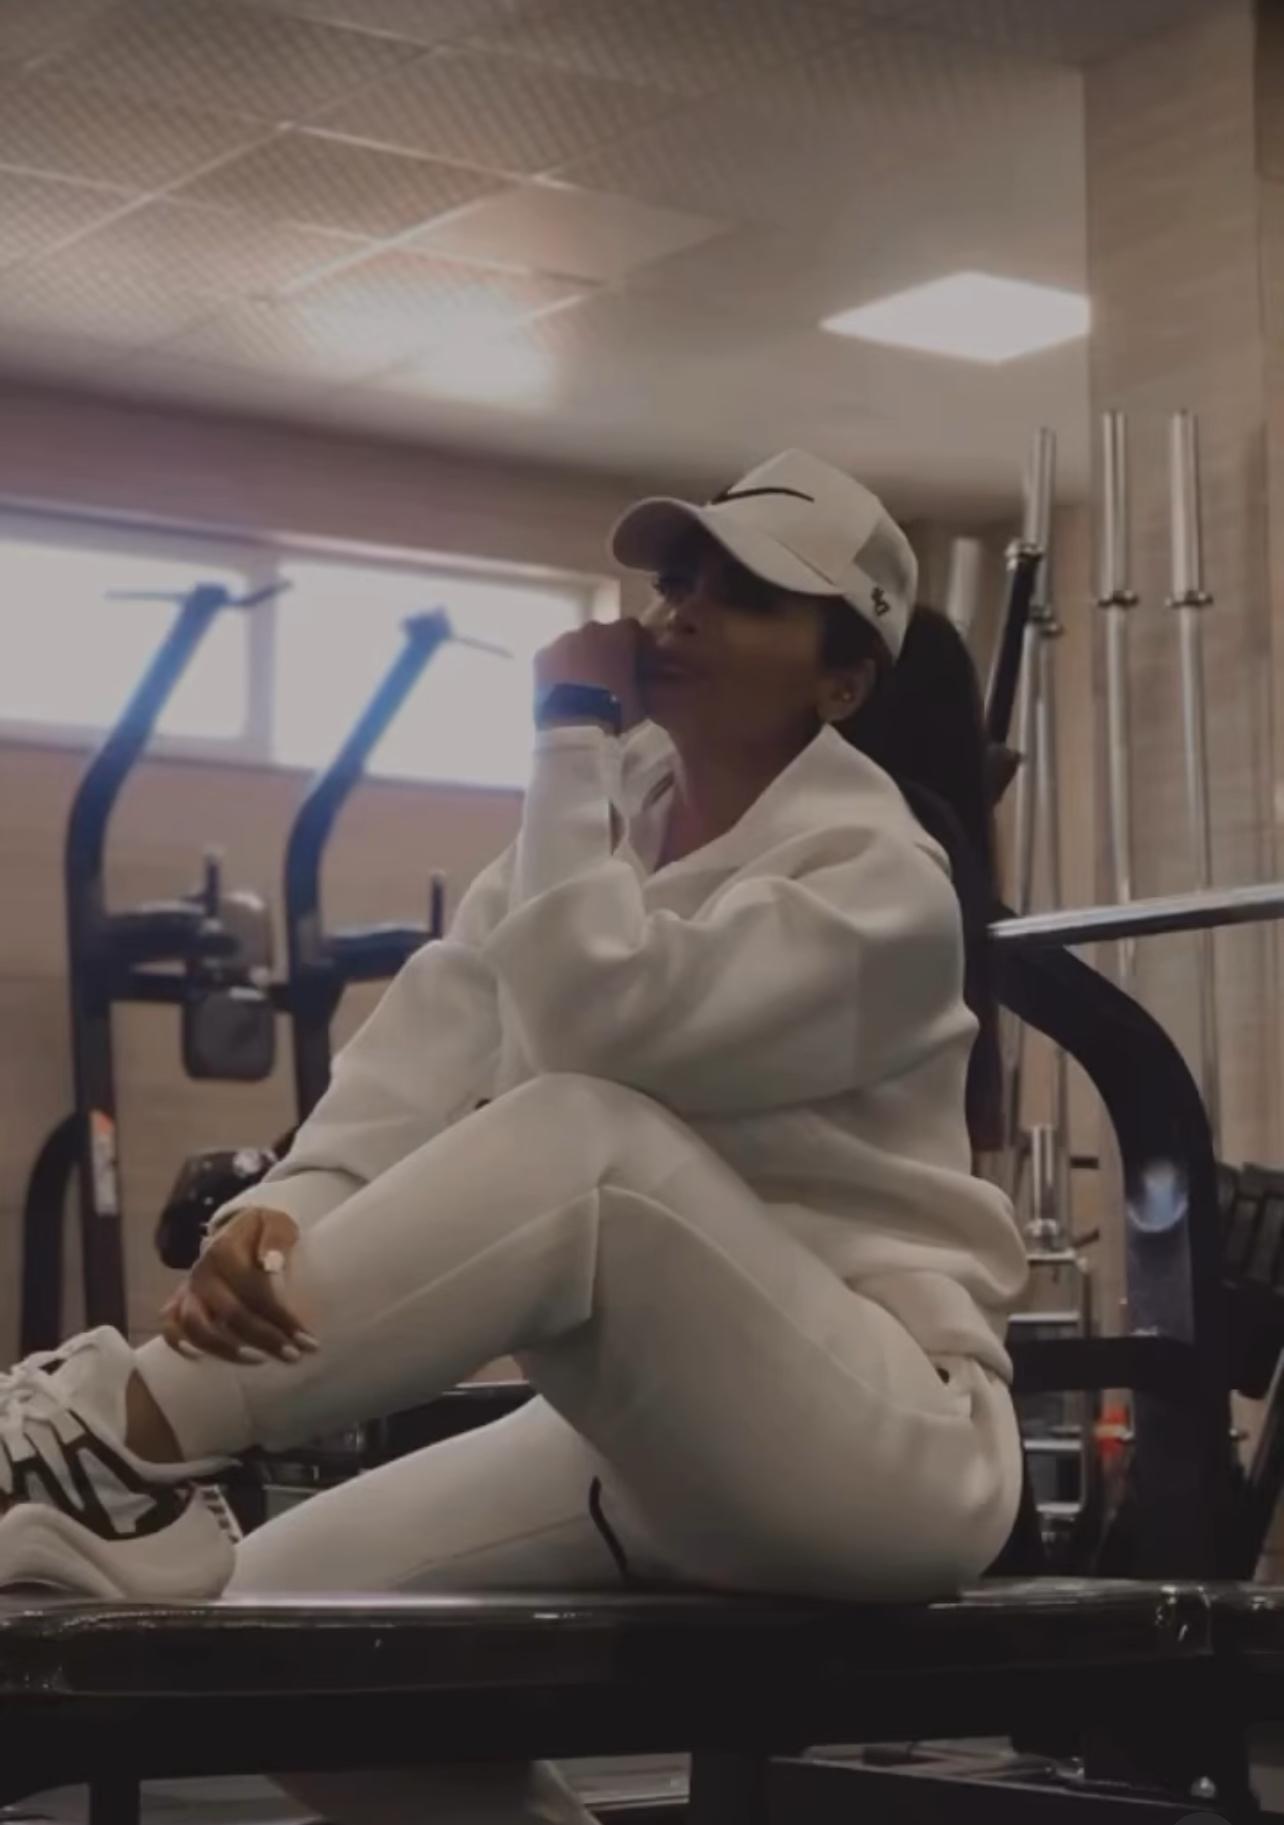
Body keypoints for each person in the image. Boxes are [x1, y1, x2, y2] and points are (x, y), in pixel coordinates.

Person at [0, 450, 1027, 1825]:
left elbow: (594, 1023)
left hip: (885, 1452)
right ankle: (131, 1450)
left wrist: (565, 733)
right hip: (652, 1445)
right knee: (257, 1638)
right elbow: (424, 1046)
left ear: (842, 682)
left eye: (746, 596)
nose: (680, 611)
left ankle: (121, 1441)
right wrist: (282, 1213)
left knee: (582, 1137)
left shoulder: (883, 883)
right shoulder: (599, 830)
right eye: (677, 580)